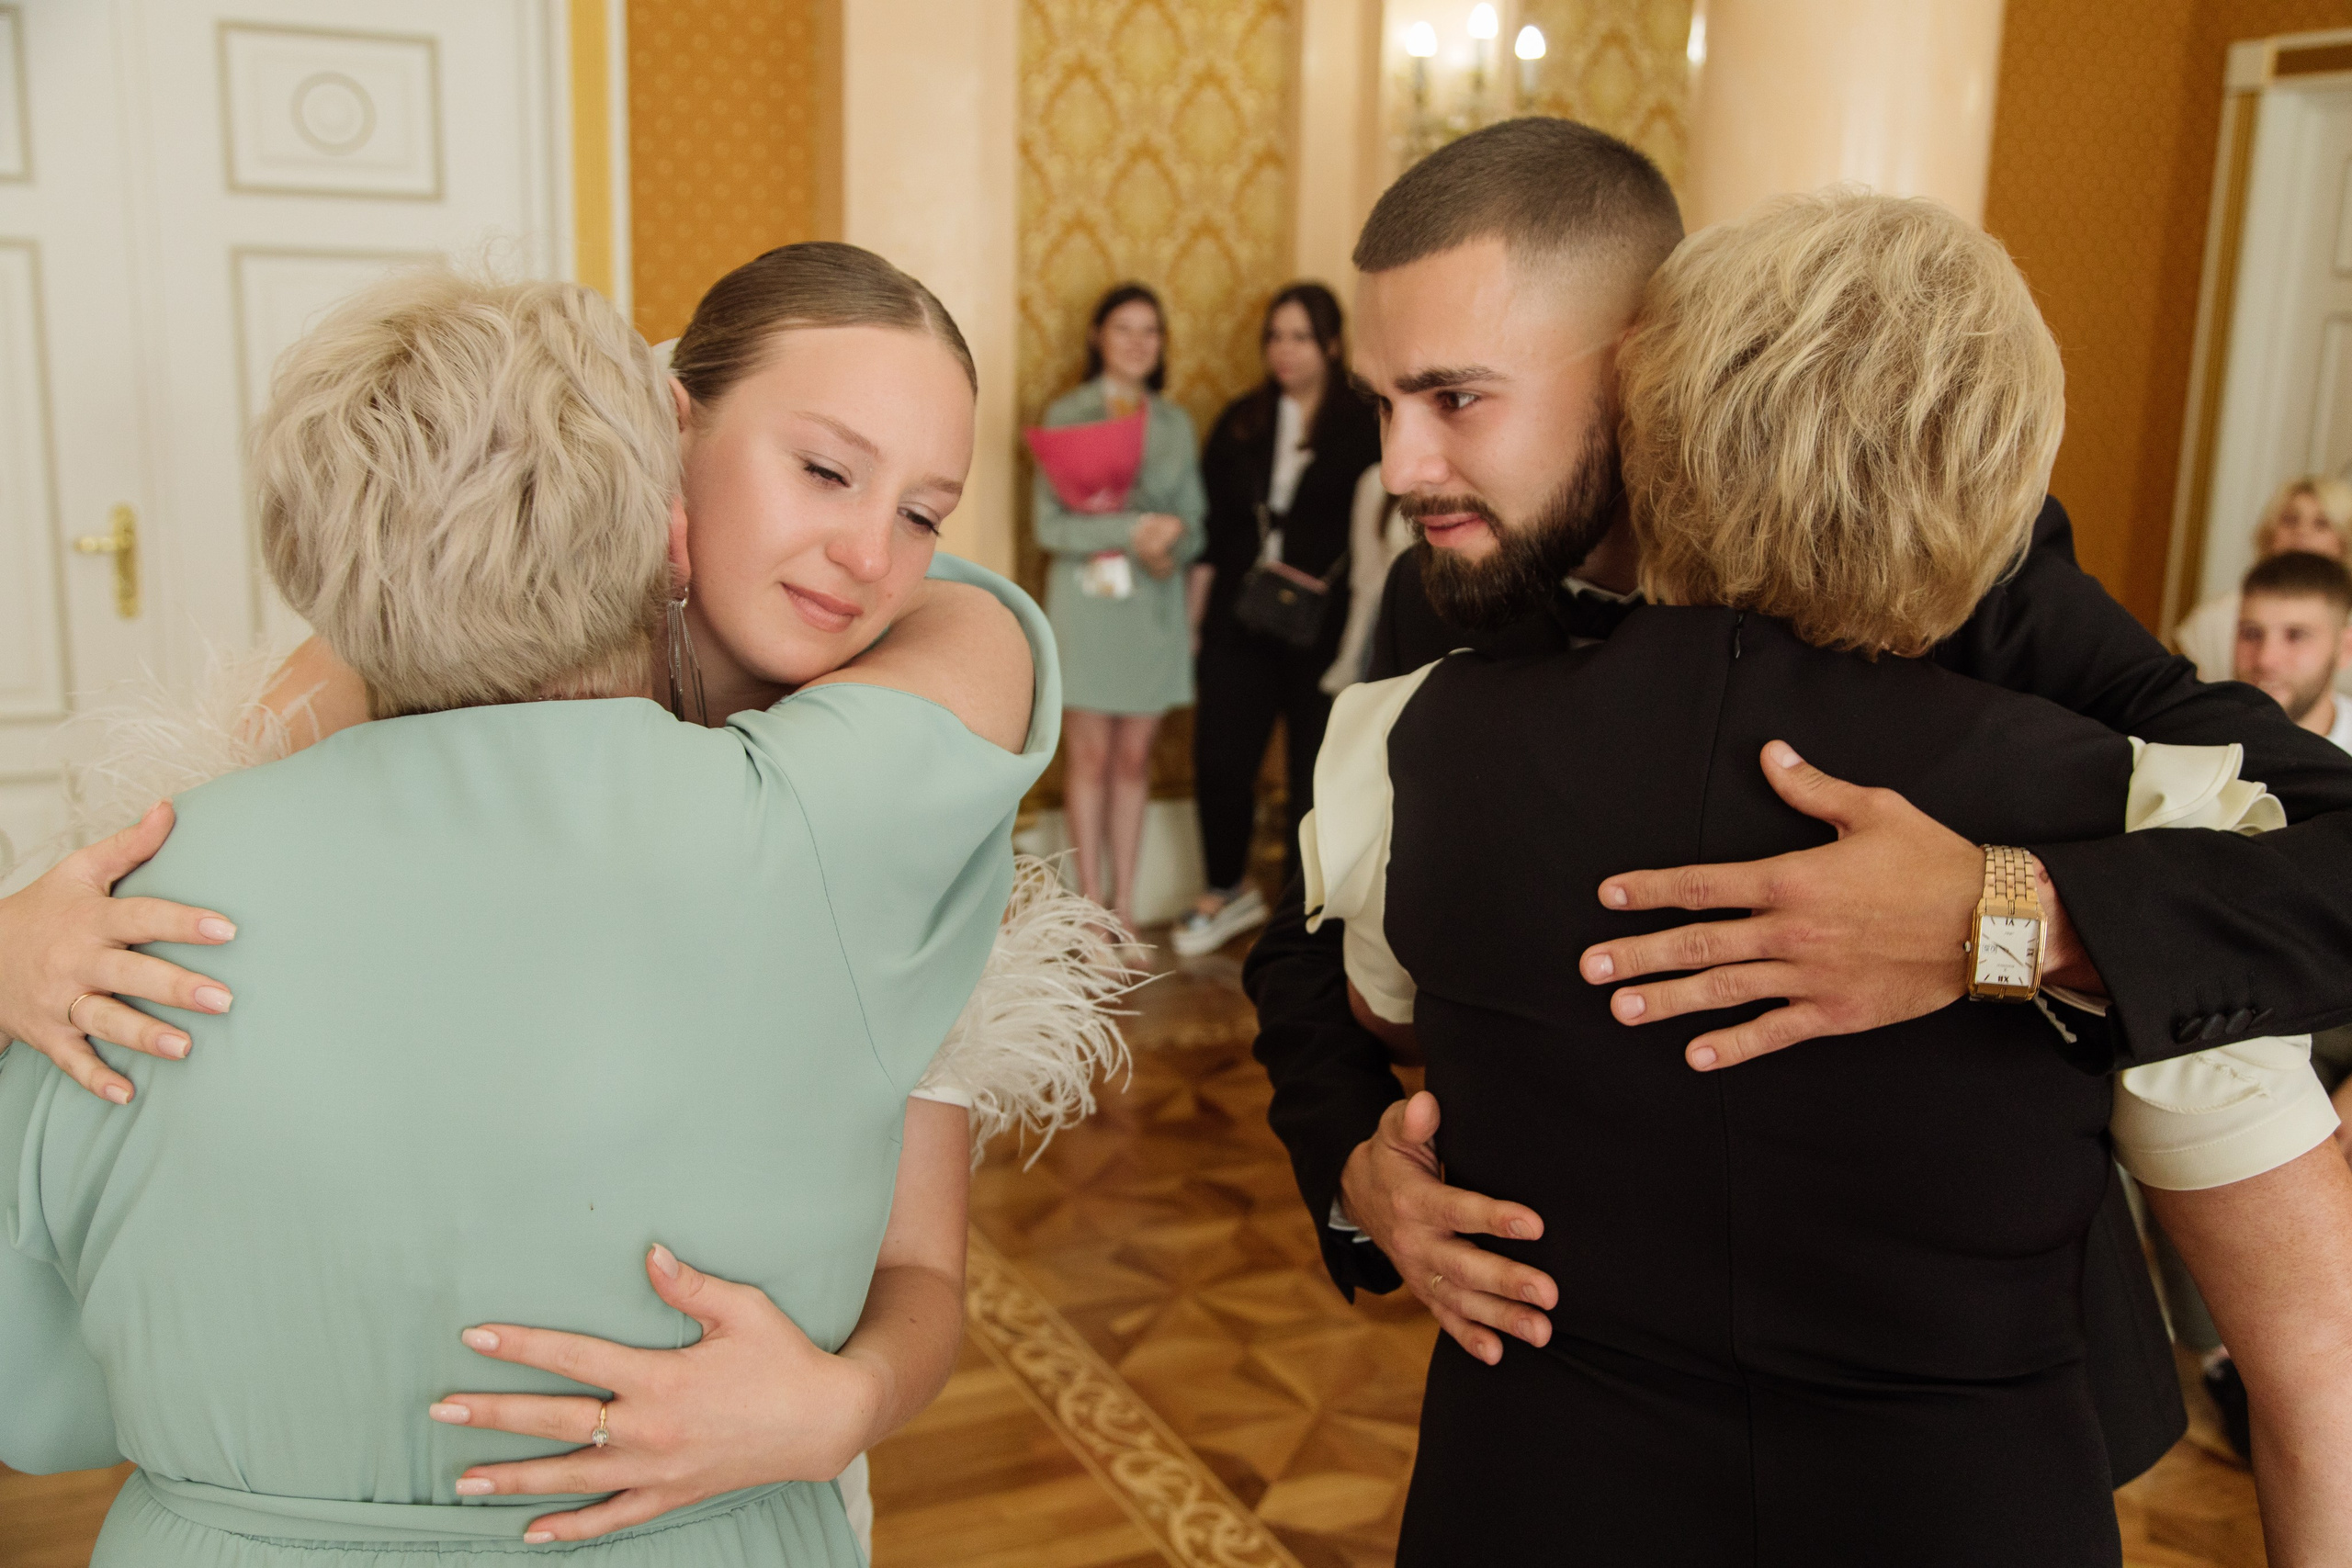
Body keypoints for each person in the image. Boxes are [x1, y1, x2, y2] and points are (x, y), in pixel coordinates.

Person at [1241, 117, 2352, 1498]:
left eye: (1456, 398)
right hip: (1576, 1413)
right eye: (1382, 401)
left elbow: (2326, 842)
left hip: (1964, 1390)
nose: (1401, 466)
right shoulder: (1449, 573)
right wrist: (1356, 1163)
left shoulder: (1968, 555)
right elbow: (1312, 922)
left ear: (1644, 361)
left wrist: (2011, 914)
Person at [0, 243, 1125, 1550]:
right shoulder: (372, 701)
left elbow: (922, 1270)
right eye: (824, 467)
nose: (872, 552)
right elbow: (365, 657)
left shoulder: (889, 808)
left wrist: (840, 1405)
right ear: (663, 434)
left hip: (734, 1465)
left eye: (927, 512)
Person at [1174, 283, 1382, 959]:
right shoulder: (1242, 421)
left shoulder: (1363, 422)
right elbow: (1210, 535)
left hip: (1326, 623)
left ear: (1329, 342)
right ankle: (1225, 888)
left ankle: (1306, 905)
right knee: (1222, 754)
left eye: (1298, 336)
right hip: (1241, 613)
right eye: (1274, 336)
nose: (1283, 350)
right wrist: (1194, 628)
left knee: (1314, 767)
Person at [1033, 283, 1207, 931]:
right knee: (1089, 759)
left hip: (1151, 609)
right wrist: (1127, 531)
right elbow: (1050, 528)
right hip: (1085, 607)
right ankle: (1088, 911)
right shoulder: (1066, 413)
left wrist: (1171, 544)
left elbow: (1196, 525)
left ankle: (1125, 912)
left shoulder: (1176, 423)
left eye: (1150, 330)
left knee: (1133, 759)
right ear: (1098, 336)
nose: (1138, 341)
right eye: (1124, 328)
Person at [2174, 475, 2352, 685]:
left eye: (2321, 524)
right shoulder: (2214, 619)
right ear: (2269, 535)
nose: (2301, 533)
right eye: (2290, 520)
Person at [2234, 549, 2352, 751]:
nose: (2265, 659)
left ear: (2345, 649)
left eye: (2296, 636)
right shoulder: (2194, 740)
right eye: (2251, 634)